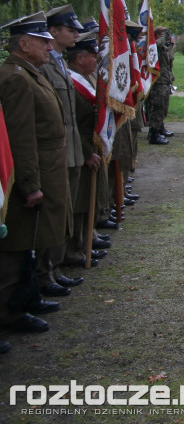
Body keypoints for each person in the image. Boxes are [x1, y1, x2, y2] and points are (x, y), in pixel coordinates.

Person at [0, 12, 68, 336]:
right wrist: (29, 185)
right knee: (16, 246)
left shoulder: (30, 73)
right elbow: (19, 136)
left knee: (30, 240)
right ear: (24, 44)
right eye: (43, 41)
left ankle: (26, 299)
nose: (49, 46)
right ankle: (9, 313)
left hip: (46, 166)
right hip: (29, 172)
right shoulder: (15, 77)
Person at [39, 5, 85, 295]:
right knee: (53, 213)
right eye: (70, 29)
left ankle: (55, 266)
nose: (76, 33)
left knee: (64, 210)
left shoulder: (57, 64)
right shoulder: (43, 67)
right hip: (53, 153)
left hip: (69, 149)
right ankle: (46, 272)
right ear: (53, 31)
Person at [65, 33, 106, 269]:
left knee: (83, 198)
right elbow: (68, 121)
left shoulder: (85, 77)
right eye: (92, 55)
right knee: (78, 200)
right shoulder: (73, 79)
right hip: (78, 147)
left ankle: (83, 241)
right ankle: (74, 247)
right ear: (80, 58)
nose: (96, 60)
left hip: (87, 144)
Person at [145, 26, 173, 145]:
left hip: (165, 81)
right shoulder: (153, 47)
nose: (166, 36)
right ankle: (154, 133)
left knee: (163, 108)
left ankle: (160, 128)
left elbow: (169, 61)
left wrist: (170, 45)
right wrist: (162, 38)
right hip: (158, 83)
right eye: (163, 34)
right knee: (157, 107)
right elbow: (154, 46)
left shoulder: (163, 49)